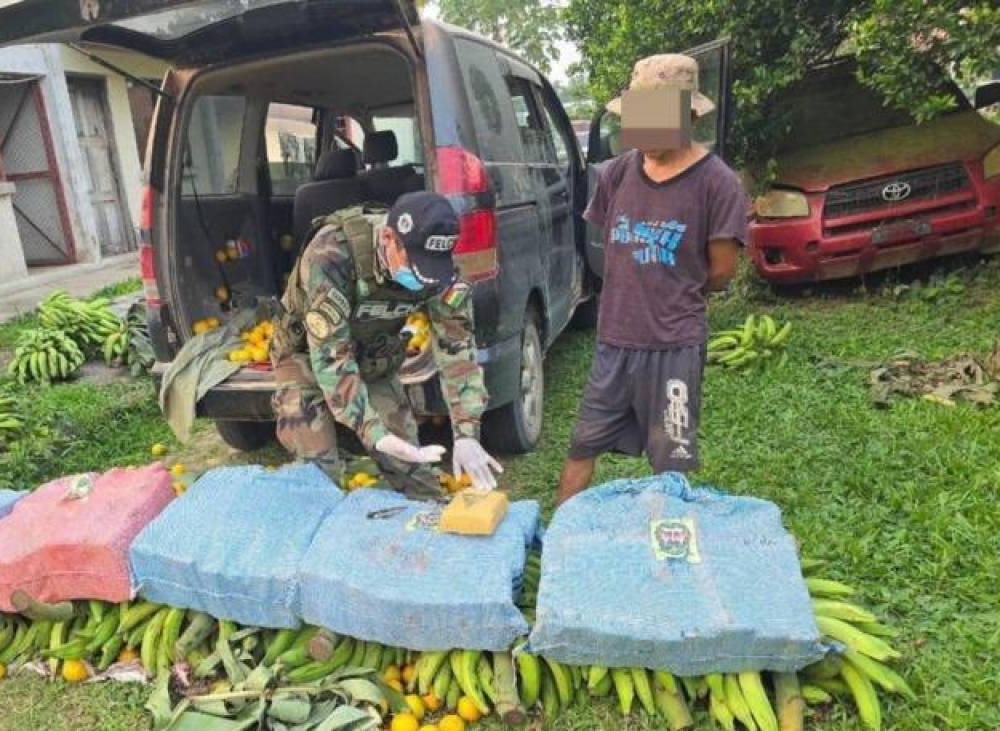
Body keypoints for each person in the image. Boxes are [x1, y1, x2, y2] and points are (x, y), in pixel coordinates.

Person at [556, 54, 748, 504]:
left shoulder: (717, 183)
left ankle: (669, 554)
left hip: (674, 345)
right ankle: (558, 540)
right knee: (584, 442)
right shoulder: (619, 173)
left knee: (670, 458)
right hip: (614, 341)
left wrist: (669, 295)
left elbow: (720, 271)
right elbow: (611, 244)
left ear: (688, 117)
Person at [271, 191, 503, 499]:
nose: (423, 280)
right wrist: (373, 433)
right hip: (305, 357)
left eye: (431, 268)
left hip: (372, 355)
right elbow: (331, 360)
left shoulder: (439, 271)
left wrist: (466, 432)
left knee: (411, 468)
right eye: (414, 265)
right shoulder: (331, 255)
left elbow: (457, 350)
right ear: (389, 238)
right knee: (317, 473)